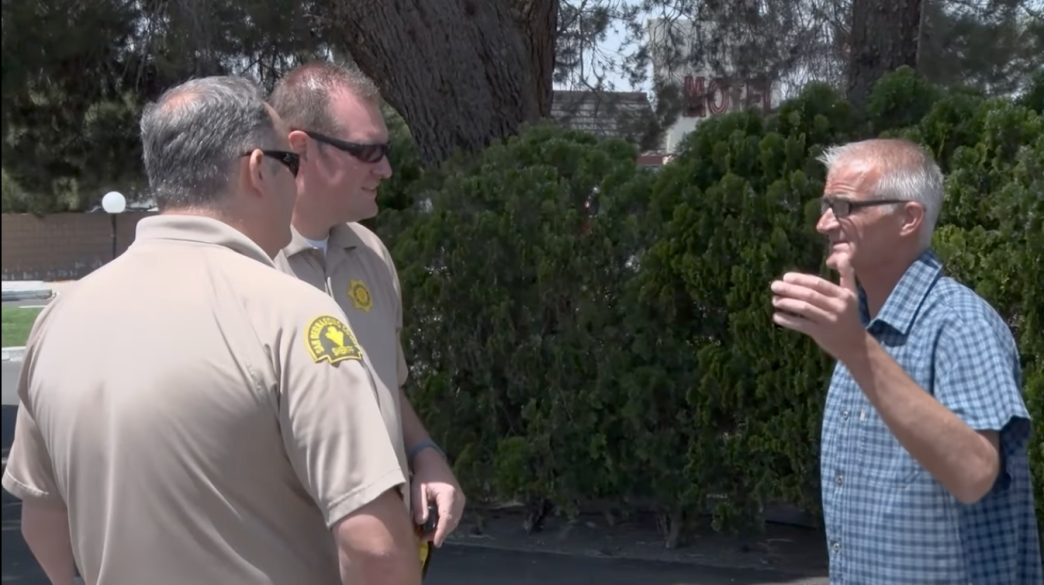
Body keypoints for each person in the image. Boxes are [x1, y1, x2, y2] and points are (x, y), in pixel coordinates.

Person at [0, 76, 421, 585]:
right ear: (257, 171)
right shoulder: (295, 317)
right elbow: (375, 548)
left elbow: (42, 523)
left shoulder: (59, 320)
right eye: (288, 164)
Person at [769, 138, 1041, 583]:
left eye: (844, 206)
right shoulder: (862, 323)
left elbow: (975, 474)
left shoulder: (959, 323)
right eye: (825, 204)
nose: (823, 224)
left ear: (908, 218)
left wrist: (856, 350)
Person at [268, 62, 466, 548]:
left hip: (385, 559)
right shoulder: (247, 268)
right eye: (367, 151)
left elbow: (383, 385)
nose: (386, 169)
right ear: (300, 149)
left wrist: (425, 453)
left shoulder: (371, 254)